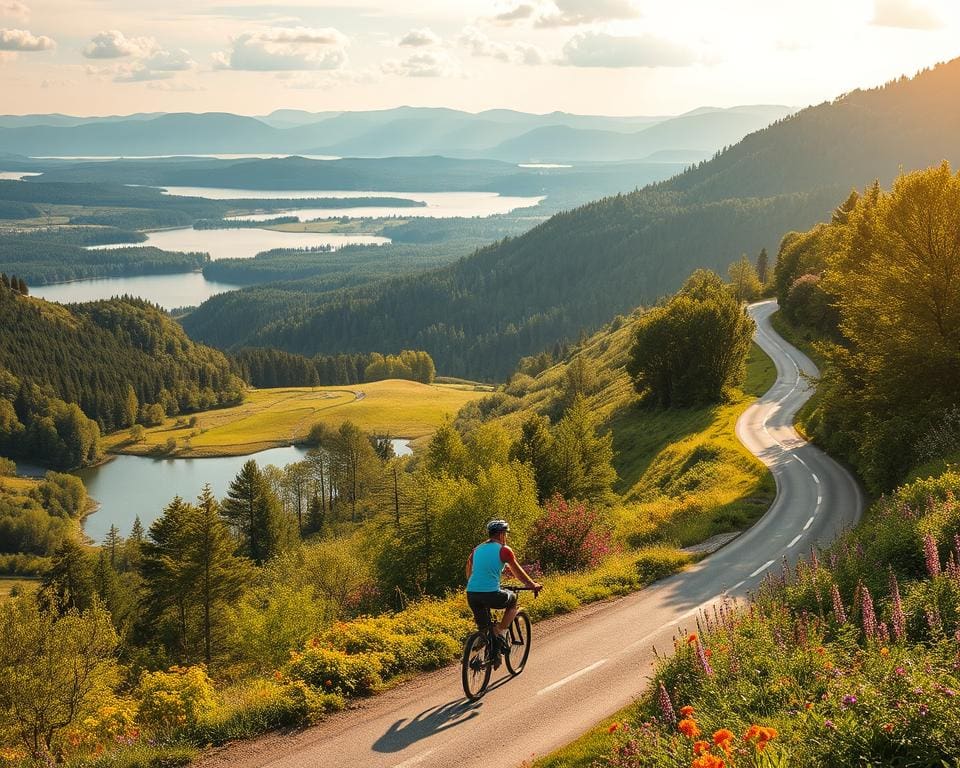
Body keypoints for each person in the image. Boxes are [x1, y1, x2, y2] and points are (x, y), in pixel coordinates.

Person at [465, 519, 541, 662]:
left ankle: (480, 650)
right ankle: (500, 631)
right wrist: (532, 584)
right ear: (501, 534)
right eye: (505, 534)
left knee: (484, 629)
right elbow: (518, 572)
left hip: (472, 594)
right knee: (512, 600)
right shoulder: (504, 550)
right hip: (491, 594)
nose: (505, 537)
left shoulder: (476, 550)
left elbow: (472, 572)